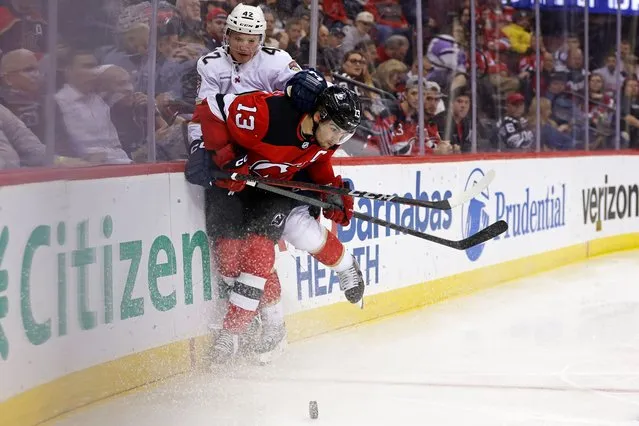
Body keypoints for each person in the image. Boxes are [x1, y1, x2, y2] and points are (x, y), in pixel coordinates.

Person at [189, 3, 365, 363]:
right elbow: (210, 110)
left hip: (272, 188)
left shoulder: (319, 138)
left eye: (251, 38)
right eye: (237, 37)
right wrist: (215, 154)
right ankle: (269, 322)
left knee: (267, 247)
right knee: (229, 261)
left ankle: (233, 334)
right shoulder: (265, 114)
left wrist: (332, 192)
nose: (244, 44)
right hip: (238, 178)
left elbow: (321, 163)